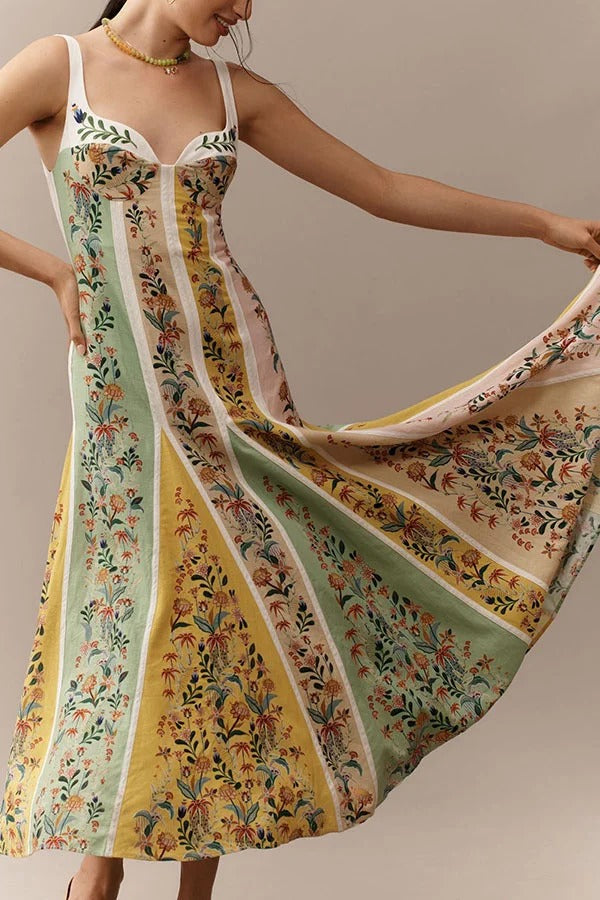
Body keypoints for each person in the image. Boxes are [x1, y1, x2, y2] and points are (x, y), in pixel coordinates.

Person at [1, 2, 600, 899]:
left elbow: (382, 187)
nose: (244, 10)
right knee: (136, 607)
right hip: (126, 399)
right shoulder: (60, 68)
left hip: (236, 384)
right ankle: (100, 865)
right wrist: (54, 270)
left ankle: (184, 888)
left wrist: (544, 224)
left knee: (235, 616)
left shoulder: (234, 93)